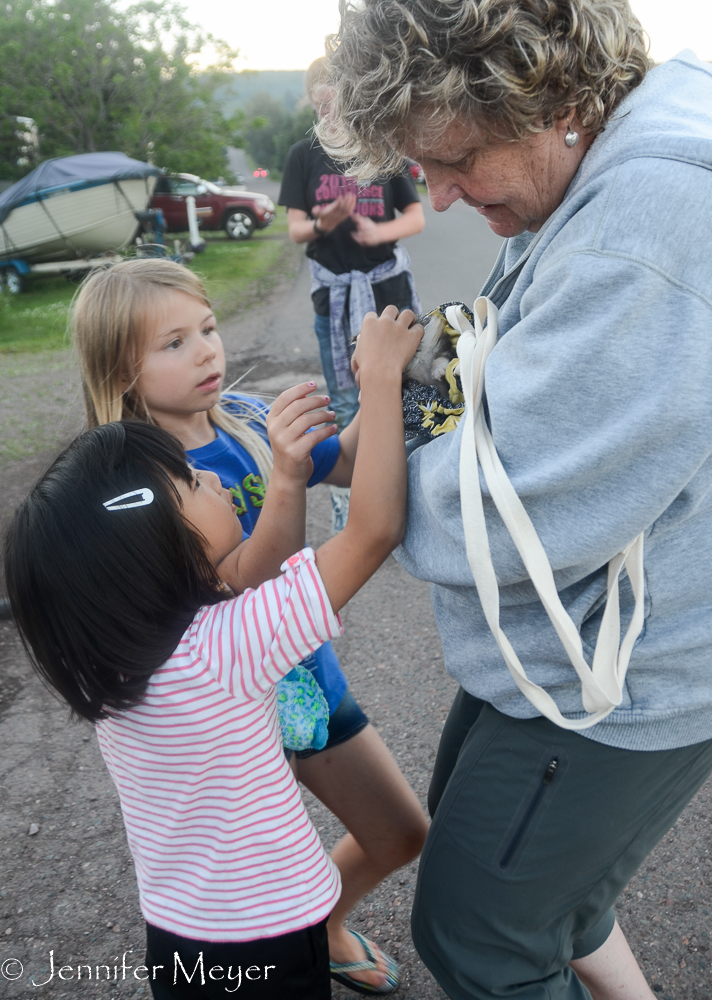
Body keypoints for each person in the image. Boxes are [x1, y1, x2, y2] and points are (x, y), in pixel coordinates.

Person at [320, 2, 712, 999]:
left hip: (618, 679)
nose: (440, 198)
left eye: (456, 157)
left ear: (558, 99)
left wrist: (381, 458)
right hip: (573, 654)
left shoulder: (647, 225)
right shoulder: (603, 167)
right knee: (555, 903)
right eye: (420, 168)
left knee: (481, 936)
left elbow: (499, 519)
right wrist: (419, 418)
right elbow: (489, 354)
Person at [4, 304, 424, 999]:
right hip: (268, 936)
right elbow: (374, 528)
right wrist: (378, 380)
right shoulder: (222, 651)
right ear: (164, 555)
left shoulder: (112, 672)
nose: (218, 481)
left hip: (179, 939)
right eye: (195, 485)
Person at [280, 57, 425, 529]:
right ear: (311, 101)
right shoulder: (303, 155)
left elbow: (415, 217)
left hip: (388, 292)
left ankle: (416, 493)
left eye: (336, 100)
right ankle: (357, 504)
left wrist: (378, 234)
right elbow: (297, 231)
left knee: (409, 387)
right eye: (320, 104)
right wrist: (325, 221)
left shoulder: (380, 147)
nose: (329, 112)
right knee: (346, 399)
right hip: (335, 300)